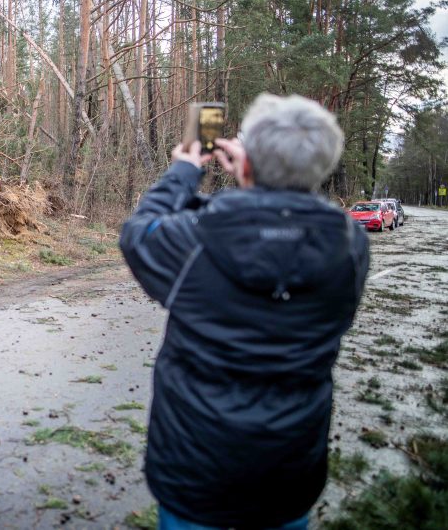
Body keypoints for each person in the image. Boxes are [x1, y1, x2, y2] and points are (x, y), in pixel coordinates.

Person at [119, 94, 370, 530]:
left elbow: (140, 232)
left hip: (194, 470)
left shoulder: (196, 240)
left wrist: (184, 171)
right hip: (289, 470)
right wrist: (257, 183)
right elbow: (281, 224)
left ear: (247, 161)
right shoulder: (350, 244)